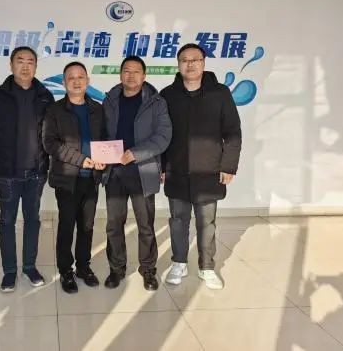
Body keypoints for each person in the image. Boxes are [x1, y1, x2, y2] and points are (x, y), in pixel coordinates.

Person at [160, 43, 242, 290]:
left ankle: (206, 266)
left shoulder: (220, 93)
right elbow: (161, 135)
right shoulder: (168, 95)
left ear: (204, 63)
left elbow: (233, 131)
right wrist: (160, 166)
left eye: (195, 59)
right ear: (178, 64)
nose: (190, 64)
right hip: (176, 170)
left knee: (207, 223)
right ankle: (179, 263)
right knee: (178, 221)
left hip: (209, 171)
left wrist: (229, 165)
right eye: (185, 60)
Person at [0, 46, 54, 292]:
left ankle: (29, 267)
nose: (25, 66)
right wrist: (2, 157)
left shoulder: (45, 96)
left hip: (36, 172)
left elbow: (52, 133)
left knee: (32, 220)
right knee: (7, 221)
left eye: (30, 61)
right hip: (8, 173)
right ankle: (10, 271)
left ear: (36, 66)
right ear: (11, 65)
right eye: (20, 61)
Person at [102, 55, 172, 291]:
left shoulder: (156, 102)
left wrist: (136, 153)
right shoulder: (110, 100)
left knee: (145, 224)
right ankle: (116, 268)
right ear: (120, 74)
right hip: (114, 172)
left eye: (136, 71)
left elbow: (163, 137)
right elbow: (103, 132)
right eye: (126, 71)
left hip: (143, 170)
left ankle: (148, 269)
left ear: (144, 75)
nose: (131, 76)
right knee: (114, 224)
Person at [42, 62, 105, 294]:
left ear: (88, 80)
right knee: (67, 225)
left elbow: (105, 139)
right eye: (71, 77)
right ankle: (66, 270)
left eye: (81, 77)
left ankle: (83, 267)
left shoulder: (98, 109)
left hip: (92, 178)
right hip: (67, 179)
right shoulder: (54, 110)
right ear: (64, 82)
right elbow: (50, 143)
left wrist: (104, 159)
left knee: (87, 226)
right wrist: (81, 160)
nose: (76, 81)